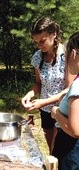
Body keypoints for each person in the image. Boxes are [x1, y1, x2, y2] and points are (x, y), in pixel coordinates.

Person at [21, 17, 75, 154]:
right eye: (36, 42)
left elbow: (68, 89)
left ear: (54, 34)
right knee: (51, 151)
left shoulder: (67, 55)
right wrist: (30, 94)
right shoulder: (38, 57)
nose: (39, 45)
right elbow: (38, 84)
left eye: (42, 41)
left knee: (58, 150)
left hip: (62, 110)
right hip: (45, 111)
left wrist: (44, 101)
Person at [51, 31, 79, 170]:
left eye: (65, 56)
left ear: (72, 54)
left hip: (71, 151)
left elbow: (74, 130)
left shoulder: (77, 87)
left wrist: (55, 112)